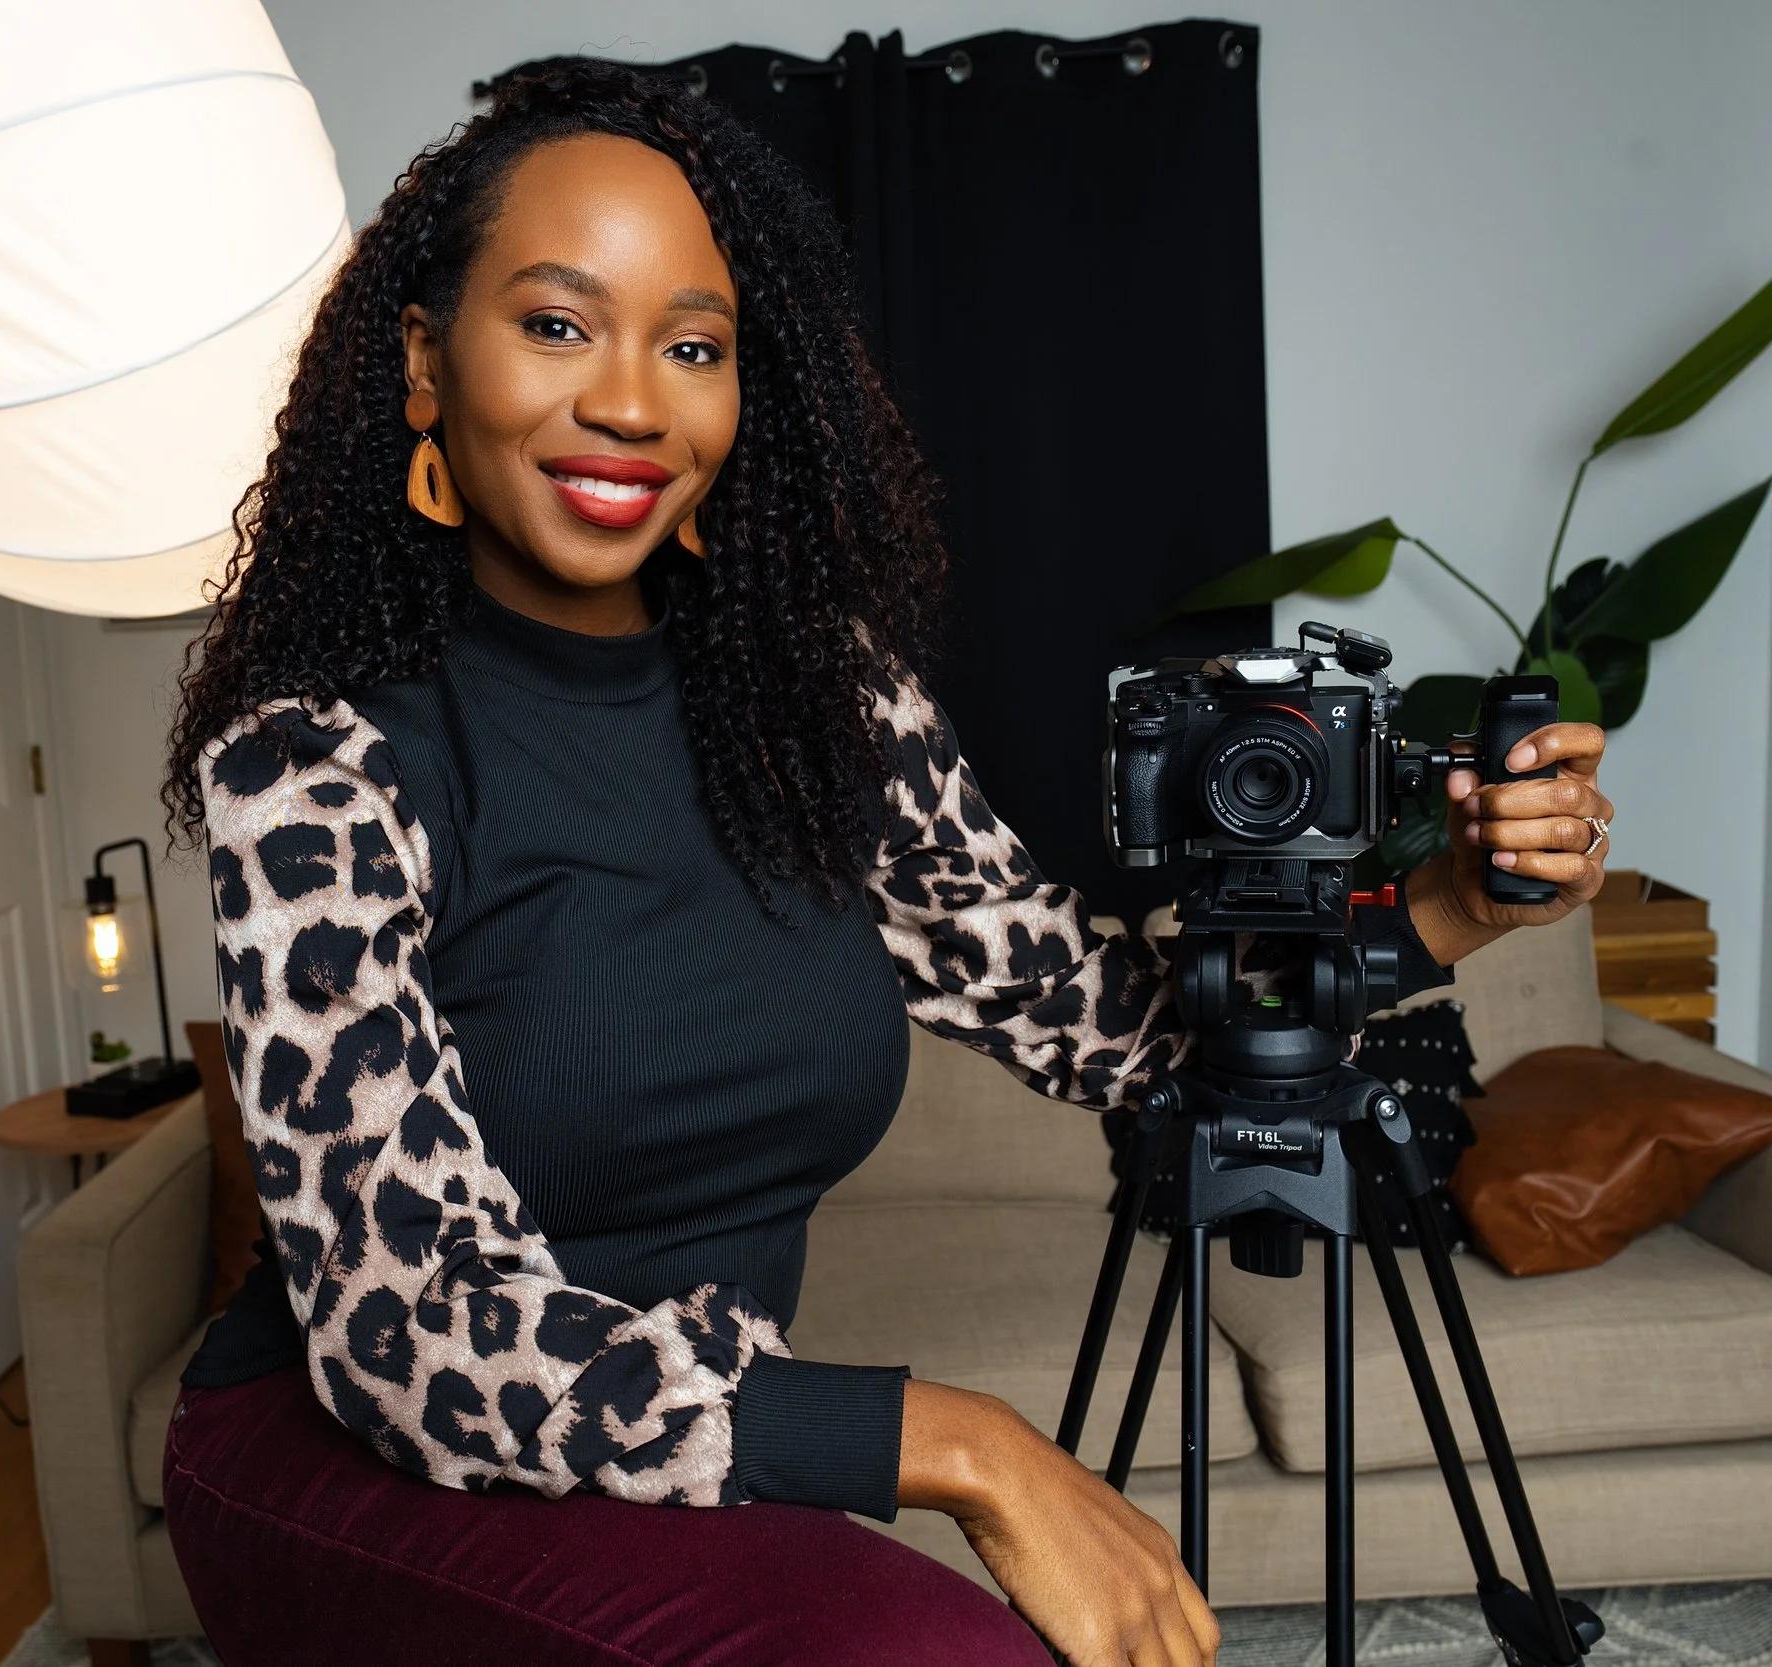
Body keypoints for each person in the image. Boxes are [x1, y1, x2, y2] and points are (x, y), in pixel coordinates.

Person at [158, 63, 1614, 1667]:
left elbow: (1122, 1028)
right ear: (426, 362)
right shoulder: (318, 759)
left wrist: (1461, 901)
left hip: (663, 1452)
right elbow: (408, 1328)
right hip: (357, 1463)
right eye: (559, 325)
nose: (634, 401)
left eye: (694, 345)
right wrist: (968, 1447)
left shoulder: (817, 703)